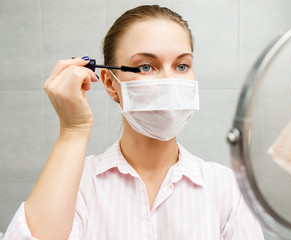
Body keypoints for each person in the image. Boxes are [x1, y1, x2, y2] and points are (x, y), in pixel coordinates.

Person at [4, 5, 264, 240]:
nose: (168, 81)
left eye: (182, 66)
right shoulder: (77, 183)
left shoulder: (227, 188)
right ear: (110, 83)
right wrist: (73, 130)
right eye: (146, 67)